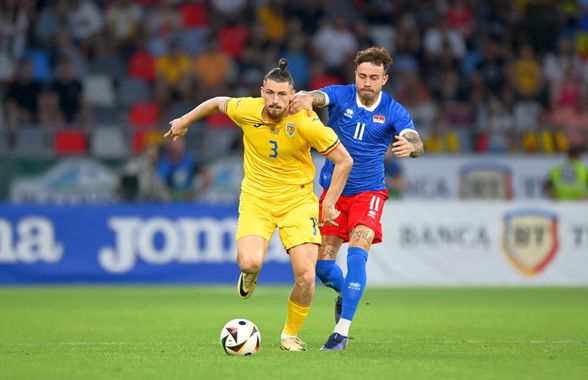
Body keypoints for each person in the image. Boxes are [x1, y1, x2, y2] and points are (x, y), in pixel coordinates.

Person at [164, 59, 353, 351]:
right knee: (250, 261)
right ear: (262, 92)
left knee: (305, 274)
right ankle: (250, 273)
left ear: (293, 96)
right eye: (270, 93)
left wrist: (329, 203)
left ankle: (289, 335)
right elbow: (216, 102)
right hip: (257, 199)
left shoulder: (306, 121)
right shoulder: (247, 109)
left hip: (297, 201)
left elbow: (344, 160)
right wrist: (183, 121)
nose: (275, 100)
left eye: (282, 95)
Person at [289, 47, 424, 350]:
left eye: (373, 77)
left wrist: (411, 146)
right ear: (355, 75)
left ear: (384, 79)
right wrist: (307, 98)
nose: (366, 82)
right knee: (322, 269)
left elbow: (415, 140)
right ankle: (344, 294)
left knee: (357, 253)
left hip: (369, 193)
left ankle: (341, 331)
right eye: (362, 76)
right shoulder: (342, 94)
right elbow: (319, 97)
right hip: (333, 194)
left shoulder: (394, 110)